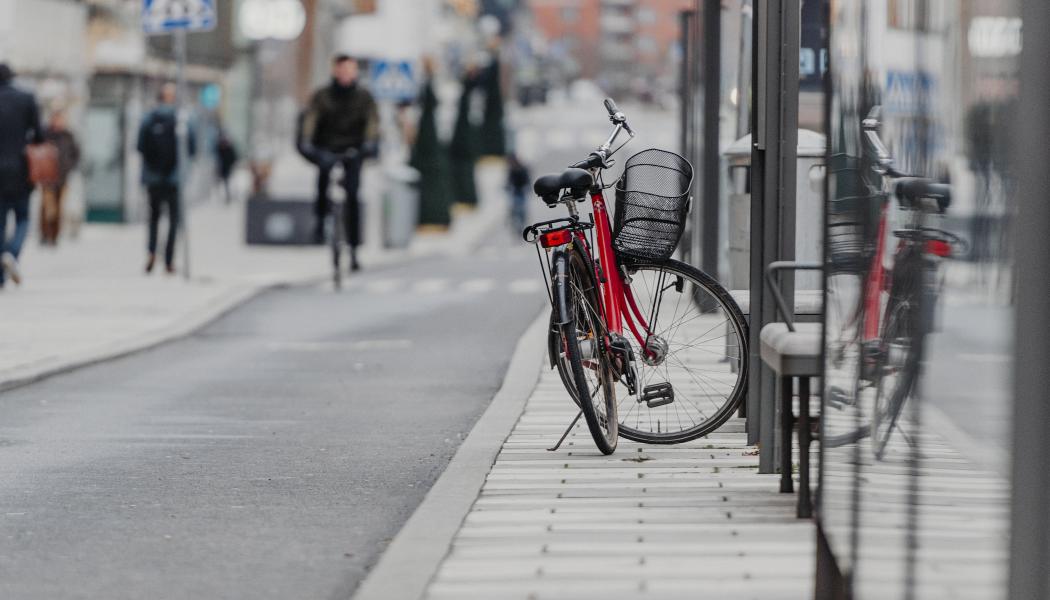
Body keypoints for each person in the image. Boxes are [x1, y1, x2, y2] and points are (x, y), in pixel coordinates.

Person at [298, 54, 379, 272]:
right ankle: (320, 221)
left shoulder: (364, 97)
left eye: (350, 70)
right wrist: (307, 142)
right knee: (323, 179)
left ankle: (353, 249)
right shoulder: (323, 96)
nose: (345, 74)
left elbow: (372, 122)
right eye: (342, 70)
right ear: (335, 71)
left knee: (352, 195)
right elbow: (311, 120)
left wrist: (369, 143)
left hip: (353, 150)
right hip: (328, 148)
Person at [137, 82, 194, 275]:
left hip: (153, 178)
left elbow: (140, 146)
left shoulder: (149, 118)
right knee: (173, 220)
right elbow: (191, 147)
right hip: (174, 179)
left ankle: (152, 252)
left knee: (153, 218)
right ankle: (169, 260)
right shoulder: (182, 119)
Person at [0, 63, 43, 287]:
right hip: (20, 170)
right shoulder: (26, 98)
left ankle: (0, 275)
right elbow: (39, 135)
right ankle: (12, 253)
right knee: (23, 217)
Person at [39, 109, 80, 245]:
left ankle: (55, 236)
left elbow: (76, 153)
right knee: (47, 207)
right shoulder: (45, 134)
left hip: (63, 177)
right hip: (47, 177)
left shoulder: (68, 135)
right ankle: (45, 234)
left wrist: (70, 166)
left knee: (59, 207)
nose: (59, 121)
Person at [506, 153, 531, 235]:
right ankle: (515, 221)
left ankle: (521, 224)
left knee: (521, 210)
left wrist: (526, 187)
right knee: (514, 208)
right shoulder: (511, 170)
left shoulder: (522, 168)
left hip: (521, 192)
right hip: (515, 192)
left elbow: (527, 179)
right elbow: (509, 181)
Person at [214, 127, 238, 204]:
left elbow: (234, 157)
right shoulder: (219, 147)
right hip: (222, 167)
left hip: (227, 167)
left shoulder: (229, 147)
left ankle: (228, 196)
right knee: (222, 183)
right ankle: (222, 197)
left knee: (227, 182)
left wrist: (231, 164)